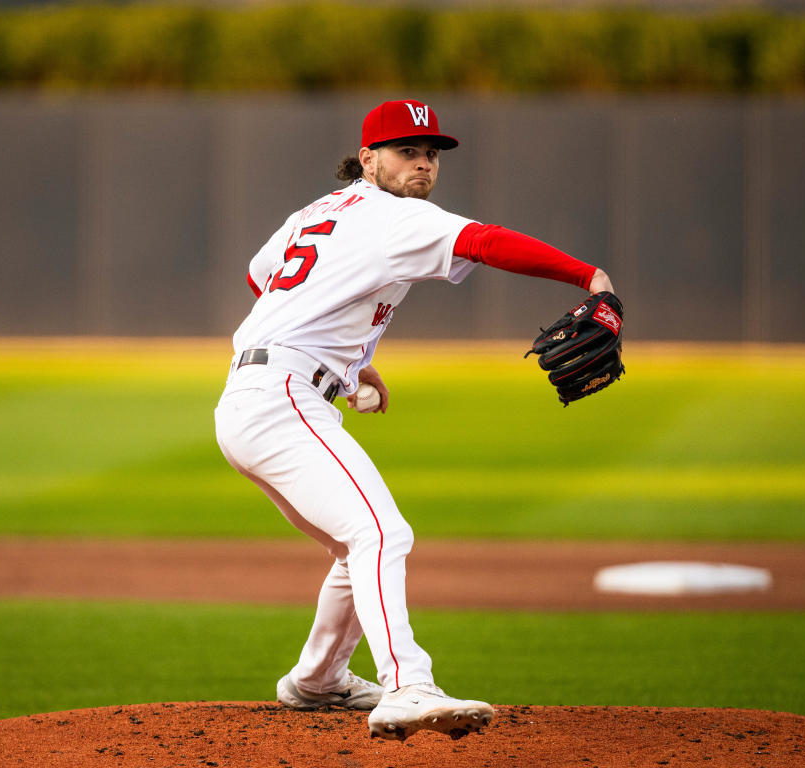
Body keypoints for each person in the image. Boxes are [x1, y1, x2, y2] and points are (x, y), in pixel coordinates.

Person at [214, 99, 614, 742]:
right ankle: (407, 685)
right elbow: (484, 242)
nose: (423, 161)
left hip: (259, 393)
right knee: (383, 534)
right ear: (368, 158)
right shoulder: (396, 218)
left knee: (355, 543)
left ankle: (317, 681)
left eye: (431, 152)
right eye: (406, 150)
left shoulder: (319, 209)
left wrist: (342, 362)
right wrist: (586, 276)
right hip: (279, 398)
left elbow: (263, 277)